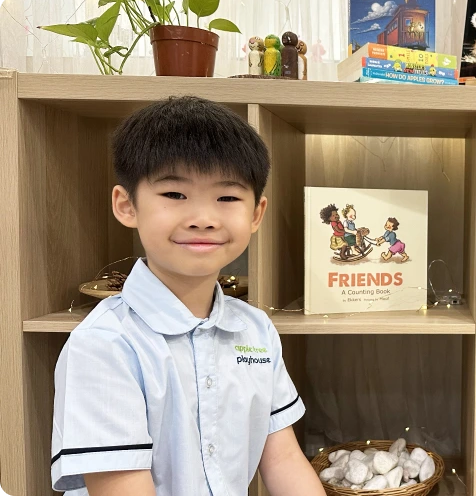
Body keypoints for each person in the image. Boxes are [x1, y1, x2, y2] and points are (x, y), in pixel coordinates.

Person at [50, 96, 325, 496]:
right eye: (175, 195)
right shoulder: (104, 345)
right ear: (127, 206)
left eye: (227, 197)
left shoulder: (256, 330)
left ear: (255, 214)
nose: (203, 218)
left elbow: (283, 460)